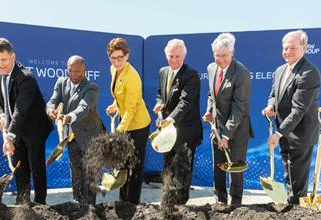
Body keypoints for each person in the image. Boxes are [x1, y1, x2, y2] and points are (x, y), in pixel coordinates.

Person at [0, 38, 53, 204]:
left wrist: (9, 137)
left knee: (36, 167)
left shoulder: (26, 77)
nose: (0, 64)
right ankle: (22, 202)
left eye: (4, 60)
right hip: (15, 128)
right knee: (20, 167)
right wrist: (2, 115)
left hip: (34, 128)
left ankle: (40, 203)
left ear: (13, 56)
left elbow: (20, 110)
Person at [262, 30, 320, 204]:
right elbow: (274, 94)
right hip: (285, 132)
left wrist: (279, 134)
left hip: (300, 135)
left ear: (304, 47)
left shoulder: (309, 73)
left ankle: (298, 214)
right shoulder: (280, 70)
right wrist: (271, 105)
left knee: (297, 180)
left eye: (293, 48)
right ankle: (290, 209)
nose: (287, 52)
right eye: (285, 48)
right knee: (289, 173)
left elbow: (299, 110)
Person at [203, 33, 253, 209]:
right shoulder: (211, 68)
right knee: (219, 166)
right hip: (217, 127)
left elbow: (239, 108)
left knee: (235, 168)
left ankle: (236, 204)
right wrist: (209, 111)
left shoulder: (242, 73)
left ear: (232, 53)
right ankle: (221, 200)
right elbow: (211, 95)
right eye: (217, 55)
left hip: (237, 129)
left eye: (224, 55)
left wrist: (227, 135)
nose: (221, 59)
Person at [47, 55, 105, 205]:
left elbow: (84, 108)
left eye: (78, 72)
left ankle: (90, 208)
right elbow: (53, 100)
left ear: (85, 71)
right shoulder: (61, 83)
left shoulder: (91, 87)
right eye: (70, 71)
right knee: (75, 170)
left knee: (90, 173)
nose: (73, 75)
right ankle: (77, 202)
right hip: (72, 137)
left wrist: (70, 117)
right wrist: (51, 110)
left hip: (91, 136)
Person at [153, 39, 202, 205]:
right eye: (171, 56)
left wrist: (170, 119)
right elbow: (161, 94)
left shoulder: (191, 74)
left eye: (177, 56)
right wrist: (159, 107)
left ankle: (181, 207)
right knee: (168, 168)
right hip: (167, 132)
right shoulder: (162, 72)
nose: (174, 60)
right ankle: (167, 203)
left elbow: (185, 102)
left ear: (184, 56)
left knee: (182, 170)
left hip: (187, 131)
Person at [106, 37, 151, 204]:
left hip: (138, 126)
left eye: (120, 57)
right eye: (113, 58)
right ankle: (123, 201)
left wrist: (119, 130)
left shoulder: (132, 76)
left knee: (134, 167)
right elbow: (121, 98)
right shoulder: (113, 69)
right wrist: (114, 106)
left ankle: (132, 205)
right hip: (124, 123)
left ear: (127, 56)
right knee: (124, 164)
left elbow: (131, 108)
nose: (117, 61)